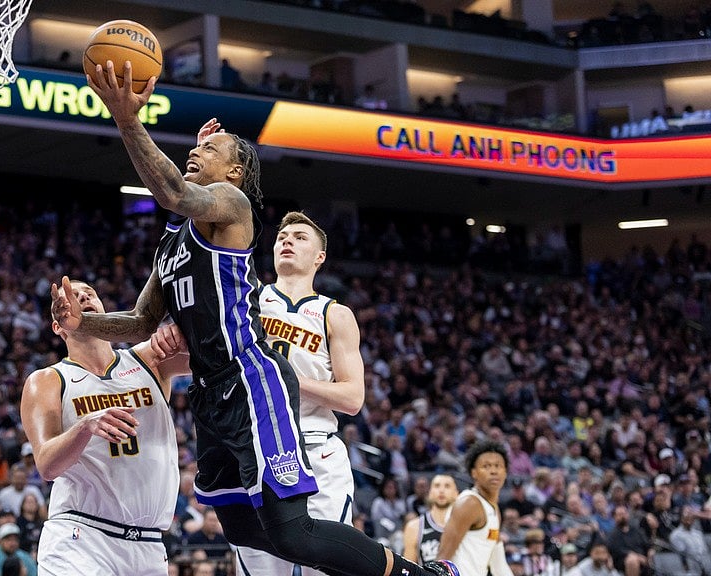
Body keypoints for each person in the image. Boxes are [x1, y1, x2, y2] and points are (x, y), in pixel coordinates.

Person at [56, 58, 460, 576]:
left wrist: (127, 118)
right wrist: (80, 324)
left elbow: (175, 193)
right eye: (195, 148)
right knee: (247, 531)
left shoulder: (232, 203)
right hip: (209, 393)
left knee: (295, 531)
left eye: (208, 150)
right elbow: (137, 322)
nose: (195, 154)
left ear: (236, 172)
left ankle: (420, 574)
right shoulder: (172, 244)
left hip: (252, 379)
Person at [22, 279, 190, 575]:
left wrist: (181, 333)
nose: (82, 297)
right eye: (71, 297)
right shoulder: (48, 380)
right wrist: (85, 426)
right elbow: (47, 466)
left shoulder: (147, 360)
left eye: (89, 294)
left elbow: (218, 349)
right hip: (82, 538)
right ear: (58, 327)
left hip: (149, 544)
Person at [232, 210, 364, 575]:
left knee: (328, 564)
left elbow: (353, 398)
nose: (287, 240)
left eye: (300, 237)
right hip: (258, 445)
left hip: (316, 445)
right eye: (281, 237)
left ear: (319, 257)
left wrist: (288, 378)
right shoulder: (248, 301)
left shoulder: (335, 315)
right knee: (261, 568)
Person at [436, 440, 514, 576]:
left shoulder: (494, 509)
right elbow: (442, 559)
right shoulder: (469, 503)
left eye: (498, 466)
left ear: (505, 472)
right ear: (474, 473)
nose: (494, 471)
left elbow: (498, 562)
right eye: (486, 466)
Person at [403, 474, 459, 564]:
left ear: (456, 494)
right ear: (430, 492)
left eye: (447, 486)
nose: (441, 490)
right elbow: (408, 569)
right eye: (437, 486)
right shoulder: (414, 527)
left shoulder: (466, 526)